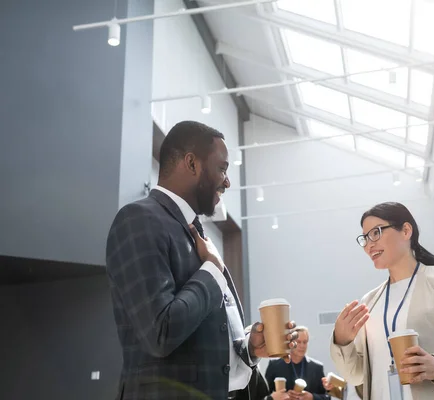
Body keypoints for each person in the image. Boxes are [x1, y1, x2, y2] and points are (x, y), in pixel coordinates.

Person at [105, 121, 297, 400]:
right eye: (222, 168)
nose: (227, 181)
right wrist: (211, 271)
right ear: (192, 164)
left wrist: (248, 350)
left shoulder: (195, 232)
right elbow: (160, 333)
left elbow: (198, 342)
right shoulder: (138, 220)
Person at [330, 202, 434, 400]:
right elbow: (356, 375)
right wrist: (342, 341)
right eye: (364, 238)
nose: (369, 245)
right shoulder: (370, 301)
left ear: (406, 230)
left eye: (375, 233)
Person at [265, 326, 330, 400]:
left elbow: (327, 397)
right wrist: (282, 396)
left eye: (305, 342)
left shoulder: (317, 367)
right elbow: (264, 395)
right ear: (290, 343)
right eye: (298, 342)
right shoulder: (275, 365)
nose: (302, 346)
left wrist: (312, 397)